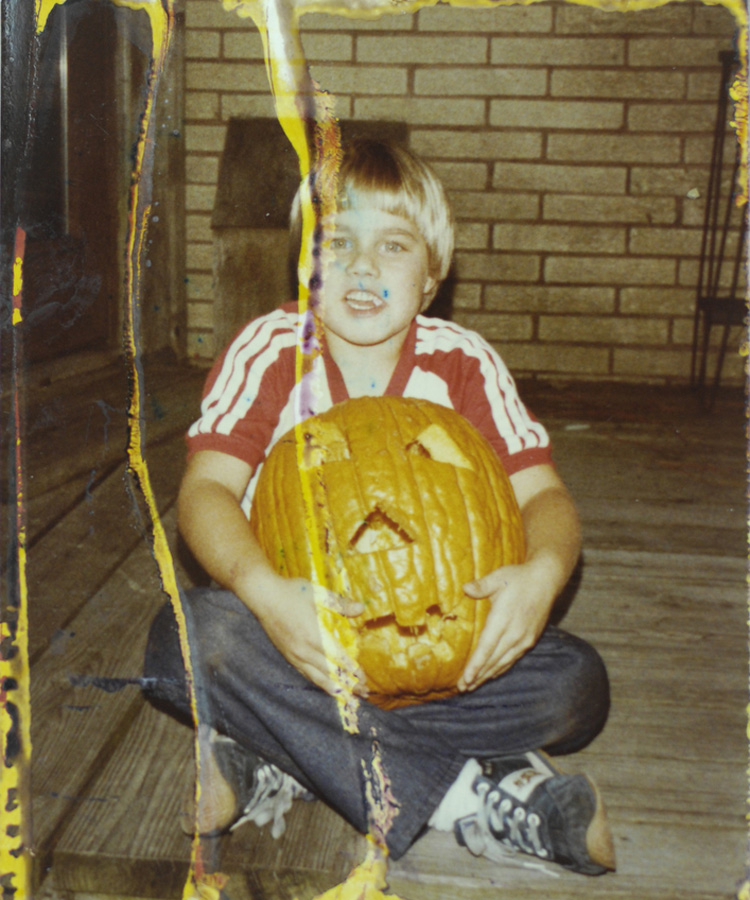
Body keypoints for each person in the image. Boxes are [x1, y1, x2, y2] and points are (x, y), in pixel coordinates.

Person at [143, 138, 614, 876]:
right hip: (297, 637)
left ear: (431, 278)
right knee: (187, 640)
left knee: (576, 687)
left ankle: (286, 753)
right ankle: (468, 794)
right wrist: (265, 594)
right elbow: (204, 492)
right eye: (337, 241)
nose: (362, 266)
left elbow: (545, 497)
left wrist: (542, 575)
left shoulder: (464, 363)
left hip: (446, 647)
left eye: (393, 245)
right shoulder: (270, 349)